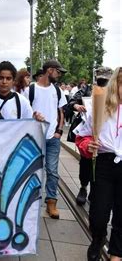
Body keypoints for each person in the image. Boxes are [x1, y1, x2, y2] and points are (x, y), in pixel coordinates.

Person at [75, 67, 122, 261]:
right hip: (103, 163)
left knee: (121, 214)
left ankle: (117, 253)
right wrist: (88, 145)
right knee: (98, 214)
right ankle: (98, 237)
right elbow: (81, 136)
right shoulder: (100, 107)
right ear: (116, 85)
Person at [23, 59, 67, 219]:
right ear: (49, 70)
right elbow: (25, 112)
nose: (59, 74)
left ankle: (51, 202)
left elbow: (60, 111)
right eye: (58, 71)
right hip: (34, 138)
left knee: (52, 171)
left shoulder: (57, 90)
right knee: (31, 171)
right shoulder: (30, 90)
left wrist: (59, 131)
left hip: (52, 138)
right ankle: (28, 202)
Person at [67, 66, 113, 206]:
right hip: (88, 132)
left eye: (105, 79)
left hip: (106, 137)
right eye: (100, 79)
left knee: (100, 166)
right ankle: (83, 187)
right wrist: (77, 106)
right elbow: (72, 102)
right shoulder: (86, 89)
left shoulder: (114, 93)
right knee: (86, 163)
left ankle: (96, 190)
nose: (102, 83)